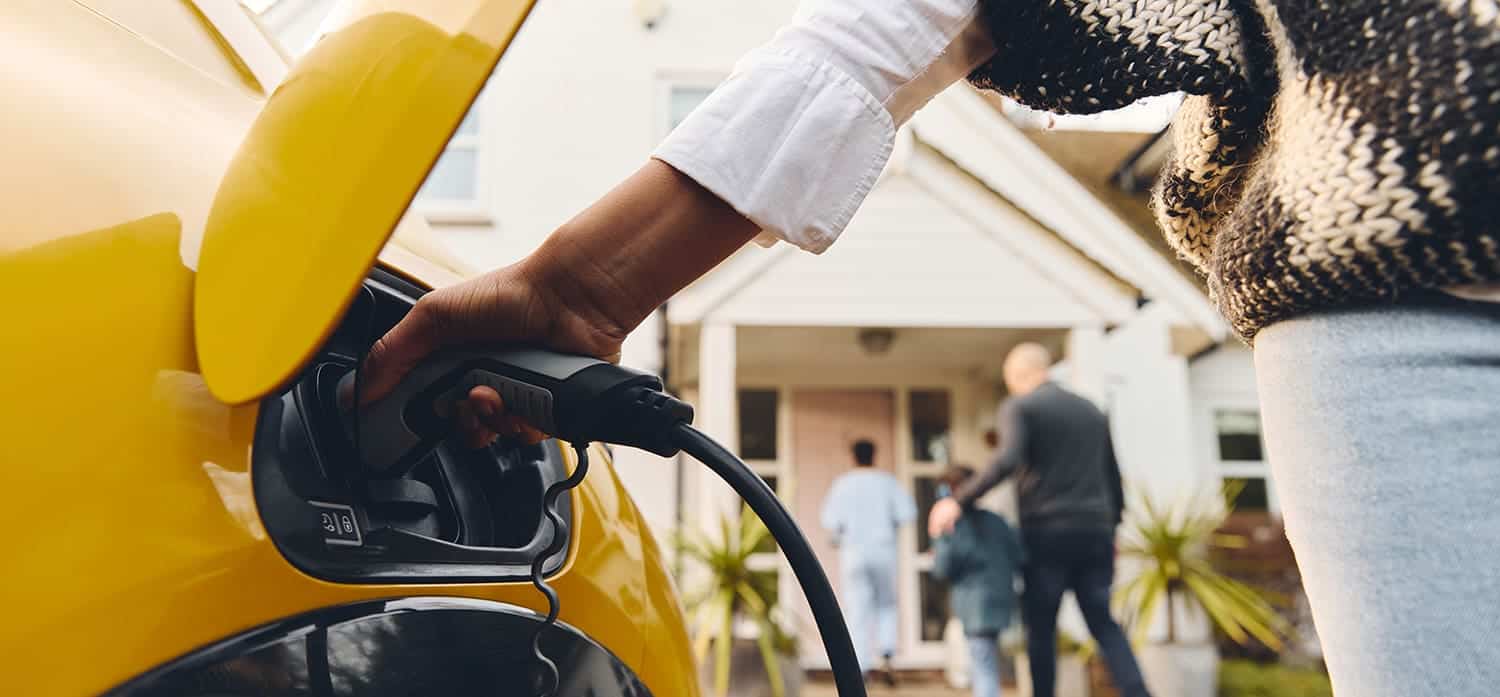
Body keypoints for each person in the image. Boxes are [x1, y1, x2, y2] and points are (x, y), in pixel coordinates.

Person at [359, 1, 1500, 695]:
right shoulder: (1061, 416)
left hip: (1379, 300)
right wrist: (594, 279)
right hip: (1422, 255)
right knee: (1072, 616)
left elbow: (1007, 460)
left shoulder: (1019, 417)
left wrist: (963, 504)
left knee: (1050, 622)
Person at [930, 343, 1144, 697]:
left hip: (1048, 532)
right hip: (1096, 532)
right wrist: (1113, 529)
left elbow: (1008, 459)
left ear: (1017, 376)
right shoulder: (1092, 410)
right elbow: (1112, 476)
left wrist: (959, 499)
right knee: (1103, 622)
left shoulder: (1021, 407)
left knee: (1041, 627)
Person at [819, 439, 915, 684]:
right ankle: (886, 654)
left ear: (853, 457)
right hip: (883, 550)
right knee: (886, 604)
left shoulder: (843, 485)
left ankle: (860, 667)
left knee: (857, 609)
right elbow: (907, 513)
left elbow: (830, 522)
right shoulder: (887, 483)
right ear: (875, 455)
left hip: (854, 553)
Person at [930, 465, 1025, 697]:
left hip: (976, 606)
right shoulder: (996, 522)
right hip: (1001, 601)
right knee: (989, 663)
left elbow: (942, 569)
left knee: (984, 668)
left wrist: (938, 535)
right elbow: (1020, 556)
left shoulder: (955, 527)